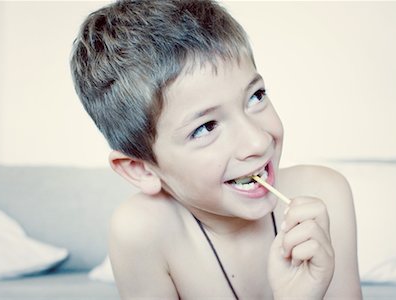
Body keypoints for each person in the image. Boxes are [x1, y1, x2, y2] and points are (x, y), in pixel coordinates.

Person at [70, 1, 362, 299]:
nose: (257, 142)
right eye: (206, 127)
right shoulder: (141, 232)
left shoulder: (325, 194)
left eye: (256, 96)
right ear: (141, 168)